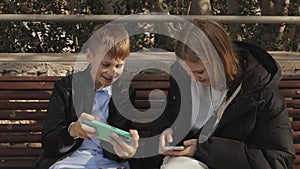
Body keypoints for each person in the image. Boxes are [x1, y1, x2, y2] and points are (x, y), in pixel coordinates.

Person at [156, 19, 295, 169]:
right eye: (186, 71)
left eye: (199, 72)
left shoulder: (260, 90)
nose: (193, 79)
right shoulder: (183, 81)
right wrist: (168, 132)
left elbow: (278, 159)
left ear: (220, 60)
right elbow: (169, 120)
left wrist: (205, 149)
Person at [36, 23, 139, 169]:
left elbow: (118, 144)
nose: (112, 72)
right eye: (105, 64)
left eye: (119, 66)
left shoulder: (124, 92)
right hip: (70, 160)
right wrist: (73, 131)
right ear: (90, 56)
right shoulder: (66, 88)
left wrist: (124, 151)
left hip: (109, 163)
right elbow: (49, 142)